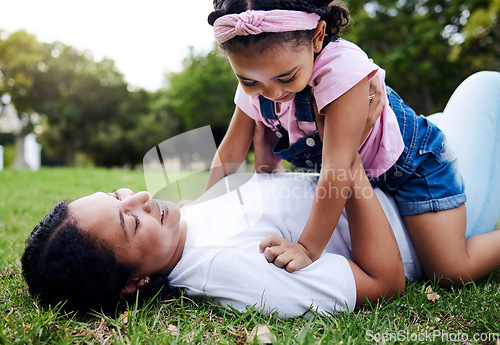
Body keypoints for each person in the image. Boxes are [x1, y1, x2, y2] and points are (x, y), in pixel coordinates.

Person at [21, 71, 500, 318]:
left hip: (401, 157)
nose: (143, 199)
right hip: (438, 207)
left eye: (118, 194)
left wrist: (256, 97)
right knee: (485, 88)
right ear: (135, 285)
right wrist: (345, 156)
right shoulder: (231, 271)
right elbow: (384, 282)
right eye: (131, 221)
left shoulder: (182, 226)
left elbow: (229, 161)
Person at [204, 0, 500, 284]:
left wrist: (307, 248)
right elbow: (231, 151)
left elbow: (337, 168)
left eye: (286, 77)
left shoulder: (340, 70)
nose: (271, 93)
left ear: (317, 37)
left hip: (414, 169)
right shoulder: (261, 79)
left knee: (449, 270)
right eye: (248, 81)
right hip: (370, 177)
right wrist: (205, 211)